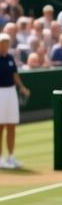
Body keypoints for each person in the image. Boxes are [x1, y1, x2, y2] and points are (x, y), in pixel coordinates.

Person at [0, 33, 31, 169]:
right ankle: (0, 158)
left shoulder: (11, 58)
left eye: (7, 42)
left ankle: (11, 157)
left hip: (11, 92)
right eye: (3, 42)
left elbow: (14, 75)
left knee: (11, 125)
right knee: (0, 126)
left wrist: (22, 87)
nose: (6, 44)